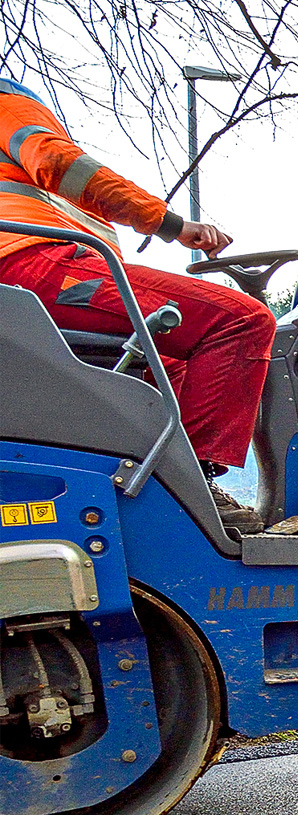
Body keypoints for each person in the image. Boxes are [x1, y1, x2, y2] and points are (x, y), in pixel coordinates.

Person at [0, 78, 274, 530]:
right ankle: (197, 486)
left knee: (171, 364)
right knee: (243, 320)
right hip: (39, 266)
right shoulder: (9, 105)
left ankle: (158, 487)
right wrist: (172, 225)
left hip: (36, 272)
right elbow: (59, 162)